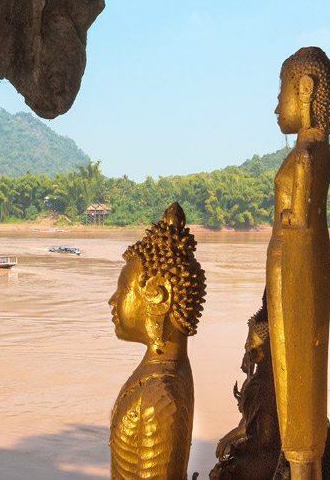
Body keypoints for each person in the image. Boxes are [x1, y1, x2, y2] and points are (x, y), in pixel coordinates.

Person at [266, 46, 330, 480]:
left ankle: (304, 467)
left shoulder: (308, 159)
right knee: (291, 380)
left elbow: (300, 228)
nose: (277, 106)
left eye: (282, 93)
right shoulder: (308, 156)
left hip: (298, 273)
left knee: (299, 382)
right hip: (292, 267)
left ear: (306, 90)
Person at [108, 203, 206, 480]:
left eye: (122, 289)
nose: (112, 300)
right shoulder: (159, 377)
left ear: (157, 295)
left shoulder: (160, 397)